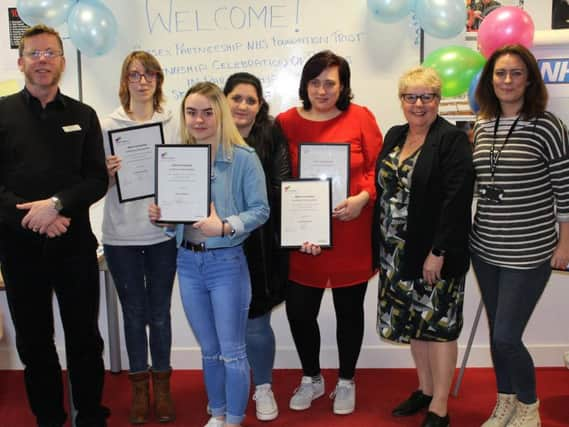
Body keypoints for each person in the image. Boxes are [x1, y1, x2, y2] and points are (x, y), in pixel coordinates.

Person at [0, 24, 109, 427]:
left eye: (50, 53)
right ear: (21, 60)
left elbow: (97, 178)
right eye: (34, 53)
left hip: (75, 246)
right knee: (35, 342)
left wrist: (58, 205)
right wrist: (34, 217)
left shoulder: (84, 115)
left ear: (62, 61)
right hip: (18, 247)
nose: (42, 60)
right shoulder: (1, 112)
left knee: (84, 339)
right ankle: (49, 417)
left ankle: (91, 415)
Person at [148, 81, 269, 427]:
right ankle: (217, 413)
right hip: (187, 263)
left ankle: (234, 418)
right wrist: (164, 218)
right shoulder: (178, 157)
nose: (198, 120)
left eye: (207, 112)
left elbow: (261, 210)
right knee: (209, 350)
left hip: (226, 264)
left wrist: (227, 225)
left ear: (221, 114)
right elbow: (178, 218)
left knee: (232, 352)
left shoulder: (243, 157)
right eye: (191, 112)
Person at [276, 50, 383, 416]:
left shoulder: (361, 117)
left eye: (330, 83)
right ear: (305, 84)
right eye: (315, 82)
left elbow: (379, 168)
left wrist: (363, 198)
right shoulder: (285, 122)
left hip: (351, 232)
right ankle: (312, 377)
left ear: (343, 86)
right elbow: (277, 176)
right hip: (302, 238)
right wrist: (294, 216)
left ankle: (347, 380)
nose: (322, 90)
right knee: (300, 313)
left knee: (349, 312)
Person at [471, 44, 569, 427]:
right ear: (489, 80)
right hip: (485, 248)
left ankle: (528, 404)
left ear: (529, 79)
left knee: (508, 336)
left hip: (530, 252)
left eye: (515, 73)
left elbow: (565, 190)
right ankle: (505, 400)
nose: (507, 81)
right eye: (499, 73)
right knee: (499, 334)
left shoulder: (548, 126)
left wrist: (565, 243)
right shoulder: (482, 125)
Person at [372, 66, 474, 427]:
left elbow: (456, 199)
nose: (419, 104)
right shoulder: (395, 135)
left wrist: (439, 252)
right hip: (395, 252)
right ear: (401, 100)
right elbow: (383, 189)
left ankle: (441, 406)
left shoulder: (451, 139)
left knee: (438, 325)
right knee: (414, 322)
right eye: (410, 97)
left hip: (434, 252)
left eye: (426, 97)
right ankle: (426, 389)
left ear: (438, 99)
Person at [101, 51, 178, 424]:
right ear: (125, 80)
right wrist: (108, 175)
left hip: (162, 235)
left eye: (149, 74)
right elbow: (93, 184)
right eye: (134, 74)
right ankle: (138, 389)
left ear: (158, 80)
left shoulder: (172, 123)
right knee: (133, 315)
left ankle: (162, 388)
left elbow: (183, 178)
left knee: (160, 315)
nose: (142, 80)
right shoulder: (107, 125)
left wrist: (173, 207)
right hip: (120, 237)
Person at [223, 72, 290, 421]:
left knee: (257, 324)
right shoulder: (206, 132)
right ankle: (226, 390)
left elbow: (281, 187)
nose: (243, 106)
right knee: (223, 323)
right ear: (224, 99)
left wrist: (247, 210)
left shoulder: (271, 134)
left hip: (261, 244)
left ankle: (262, 386)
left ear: (260, 105)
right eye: (237, 98)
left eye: (251, 100)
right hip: (216, 243)